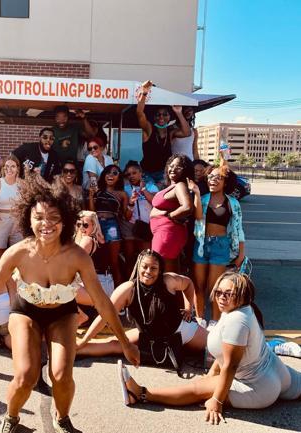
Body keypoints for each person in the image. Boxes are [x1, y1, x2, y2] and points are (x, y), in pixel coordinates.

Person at [0, 174, 140, 433]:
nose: (46, 224)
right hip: (26, 313)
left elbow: (102, 301)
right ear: (27, 218)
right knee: (25, 376)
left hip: (63, 315)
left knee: (62, 375)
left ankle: (62, 419)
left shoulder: (77, 255)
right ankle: (11, 419)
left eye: (54, 217)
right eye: (39, 217)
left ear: (65, 220)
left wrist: (124, 342)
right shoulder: (18, 251)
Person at [117, 271, 301, 424]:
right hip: (275, 370)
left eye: (228, 293)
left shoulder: (237, 322)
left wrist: (217, 400)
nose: (221, 297)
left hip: (256, 387)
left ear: (242, 295)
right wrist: (211, 374)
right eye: (219, 292)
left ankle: (140, 394)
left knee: (196, 389)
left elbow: (230, 365)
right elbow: (223, 353)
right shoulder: (241, 309)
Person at [77, 249, 207, 357]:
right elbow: (104, 315)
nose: (148, 272)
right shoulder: (127, 289)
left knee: (213, 348)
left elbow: (188, 284)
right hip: (149, 337)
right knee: (113, 344)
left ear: (160, 270)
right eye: (144, 267)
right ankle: (73, 351)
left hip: (183, 332)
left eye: (153, 268)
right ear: (138, 266)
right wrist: (84, 340)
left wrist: (189, 308)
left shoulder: (169, 280)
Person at [191, 164, 245, 323]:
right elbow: (198, 218)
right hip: (201, 245)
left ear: (225, 182)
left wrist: (241, 253)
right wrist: (196, 193)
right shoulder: (202, 199)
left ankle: (215, 322)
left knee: (215, 288)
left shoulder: (233, 203)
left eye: (218, 177)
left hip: (221, 246)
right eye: (210, 177)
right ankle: (200, 320)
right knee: (198, 286)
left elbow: (239, 229)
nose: (213, 180)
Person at [136, 81, 190, 186]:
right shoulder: (149, 128)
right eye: (158, 114)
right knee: (152, 191)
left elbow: (186, 132)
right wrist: (144, 93)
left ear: (169, 117)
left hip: (163, 173)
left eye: (165, 114)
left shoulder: (170, 131)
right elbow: (139, 113)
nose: (161, 117)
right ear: (154, 116)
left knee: (163, 193)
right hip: (147, 173)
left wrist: (178, 112)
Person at [150, 154, 194, 272]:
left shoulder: (180, 185)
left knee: (161, 272)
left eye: (178, 167)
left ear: (185, 171)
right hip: (165, 233)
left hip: (168, 234)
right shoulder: (172, 186)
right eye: (171, 165)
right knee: (170, 272)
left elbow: (187, 207)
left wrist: (170, 216)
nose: (173, 169)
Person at [88, 164, 131, 287]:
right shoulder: (97, 191)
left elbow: (126, 216)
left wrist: (132, 204)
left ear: (119, 177)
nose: (111, 175)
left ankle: (119, 293)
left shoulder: (122, 194)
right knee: (95, 261)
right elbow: (91, 212)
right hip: (96, 224)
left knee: (114, 262)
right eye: (108, 172)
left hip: (112, 225)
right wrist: (91, 196)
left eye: (115, 173)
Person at [120, 161, 158, 274]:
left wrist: (144, 190)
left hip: (145, 226)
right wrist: (131, 202)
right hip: (129, 226)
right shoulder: (126, 189)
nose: (131, 176)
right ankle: (130, 281)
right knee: (130, 259)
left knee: (146, 258)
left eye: (134, 173)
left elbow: (156, 202)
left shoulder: (151, 186)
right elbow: (126, 215)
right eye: (128, 174)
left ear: (141, 173)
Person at [0, 156, 23, 256]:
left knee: (17, 253)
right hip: (0, 220)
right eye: (6, 166)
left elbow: (27, 204)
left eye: (13, 166)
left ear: (18, 168)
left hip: (17, 222)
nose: (9, 169)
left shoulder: (23, 184)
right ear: (3, 168)